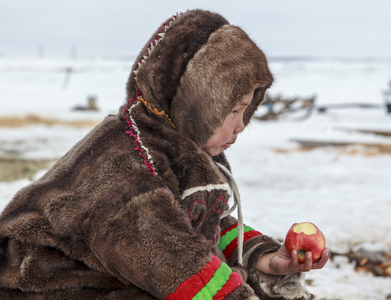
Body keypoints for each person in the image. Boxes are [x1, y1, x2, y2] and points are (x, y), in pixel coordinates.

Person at [0, 9, 329, 299]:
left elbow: (199, 222)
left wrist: (263, 258)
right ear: (198, 102)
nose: (241, 126)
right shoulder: (127, 170)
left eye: (247, 111)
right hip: (37, 288)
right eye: (233, 110)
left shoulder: (176, 149)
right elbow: (176, 264)